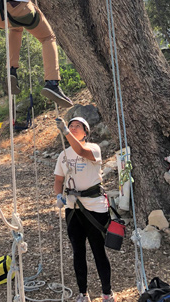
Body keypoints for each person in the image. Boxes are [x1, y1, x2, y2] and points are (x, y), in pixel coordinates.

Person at [54, 117, 116, 302]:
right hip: (73, 209)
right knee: (78, 252)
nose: (73, 128)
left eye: (77, 126)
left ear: (86, 132)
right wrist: (59, 195)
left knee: (98, 250)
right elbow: (59, 180)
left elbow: (80, 150)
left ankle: (107, 292)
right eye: (71, 126)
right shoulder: (63, 155)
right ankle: (83, 293)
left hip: (94, 208)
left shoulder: (93, 149)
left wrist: (65, 131)